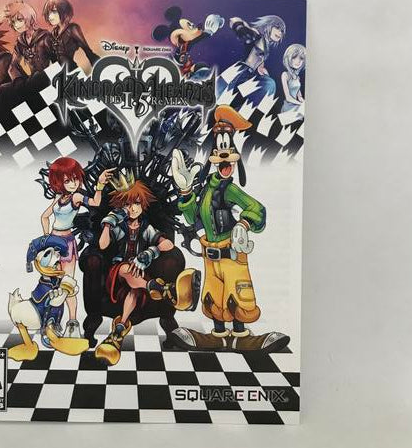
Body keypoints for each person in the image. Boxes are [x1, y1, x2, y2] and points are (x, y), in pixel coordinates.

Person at [170, 105, 289, 353]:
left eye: (229, 152)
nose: (226, 160)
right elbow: (192, 217)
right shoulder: (206, 188)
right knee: (214, 297)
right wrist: (186, 191)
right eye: (220, 151)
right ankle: (219, 335)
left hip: (232, 255)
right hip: (210, 257)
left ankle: (240, 335)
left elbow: (257, 208)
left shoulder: (230, 189)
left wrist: (244, 224)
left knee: (237, 296)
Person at [95, 174, 174, 365]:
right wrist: (108, 224)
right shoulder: (118, 227)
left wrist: (148, 253)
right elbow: (103, 245)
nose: (133, 208)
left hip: (138, 274)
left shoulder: (146, 227)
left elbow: (168, 244)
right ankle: (159, 288)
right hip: (119, 272)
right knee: (126, 268)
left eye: (137, 203)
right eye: (128, 204)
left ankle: (120, 328)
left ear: (143, 204)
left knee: (135, 292)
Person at [38, 157, 114, 342]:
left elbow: (95, 202)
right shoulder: (59, 198)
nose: (73, 183)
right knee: (52, 285)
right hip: (53, 243)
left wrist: (99, 185)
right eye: (67, 180)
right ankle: (52, 323)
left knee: (67, 285)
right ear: (59, 182)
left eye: (75, 179)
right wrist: (46, 238)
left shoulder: (76, 197)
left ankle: (72, 323)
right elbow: (44, 217)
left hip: (66, 244)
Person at [224, 15, 286, 105]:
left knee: (268, 84)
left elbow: (259, 58)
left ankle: (238, 108)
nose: (280, 33)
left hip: (250, 75)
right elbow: (233, 19)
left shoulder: (265, 45)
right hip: (241, 73)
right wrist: (240, 28)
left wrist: (261, 68)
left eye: (282, 31)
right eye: (277, 28)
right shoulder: (257, 34)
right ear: (268, 25)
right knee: (269, 84)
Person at [43, 0, 99, 70]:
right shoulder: (53, 32)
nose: (50, 17)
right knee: (38, 75)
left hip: (71, 70)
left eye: (54, 12)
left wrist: (99, 68)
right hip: (58, 70)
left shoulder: (72, 28)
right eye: (48, 13)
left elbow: (88, 51)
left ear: (64, 12)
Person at [5, 1, 53, 81]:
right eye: (13, 22)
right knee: (4, 87)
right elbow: (12, 67)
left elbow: (57, 60)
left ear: (29, 18)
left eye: (19, 20)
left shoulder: (45, 37)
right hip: (33, 80)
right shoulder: (20, 42)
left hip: (50, 78)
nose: (16, 25)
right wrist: (18, 82)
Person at [281, 43, 306, 118]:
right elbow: (288, 97)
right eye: (294, 57)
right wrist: (300, 104)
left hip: (297, 105)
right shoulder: (285, 75)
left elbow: (300, 96)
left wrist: (304, 102)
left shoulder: (297, 77)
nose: (298, 61)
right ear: (288, 58)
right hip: (288, 107)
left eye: (301, 58)